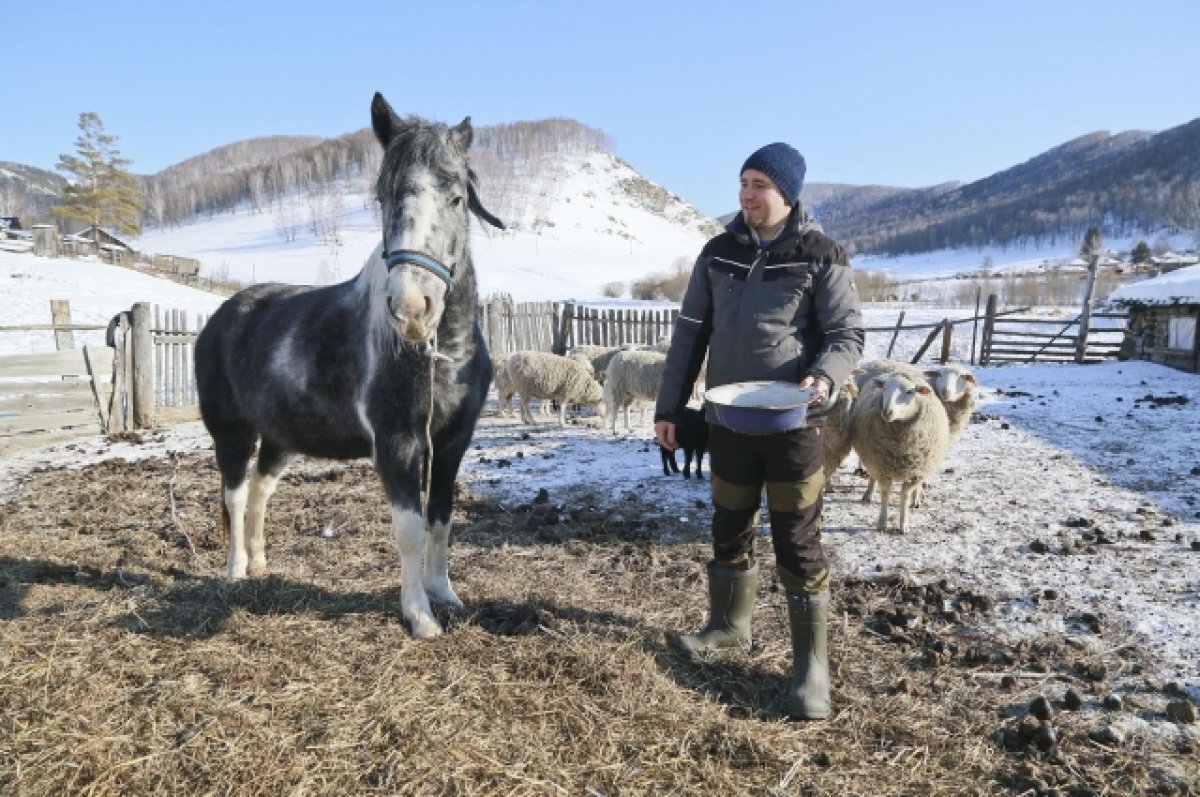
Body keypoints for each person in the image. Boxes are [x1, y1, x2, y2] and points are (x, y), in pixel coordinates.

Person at [653, 142, 864, 720]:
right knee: (729, 523)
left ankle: (810, 668)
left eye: (758, 185)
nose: (746, 195)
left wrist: (824, 376)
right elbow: (689, 334)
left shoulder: (822, 254)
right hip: (728, 419)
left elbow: (847, 337)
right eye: (742, 183)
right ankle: (726, 628)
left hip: (795, 423)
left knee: (797, 538)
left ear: (786, 193)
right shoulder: (717, 252)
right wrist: (669, 408)